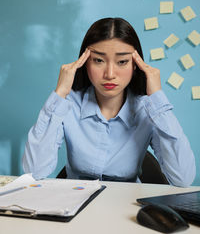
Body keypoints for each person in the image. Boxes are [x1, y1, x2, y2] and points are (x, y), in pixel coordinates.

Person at [22, 17, 196, 186]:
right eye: (98, 60)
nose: (110, 74)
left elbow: (183, 178)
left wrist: (157, 99)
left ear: (135, 65)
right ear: (85, 62)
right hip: (74, 207)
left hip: (126, 206)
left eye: (122, 61)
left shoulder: (148, 109)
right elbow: (34, 172)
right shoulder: (68, 105)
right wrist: (59, 94)